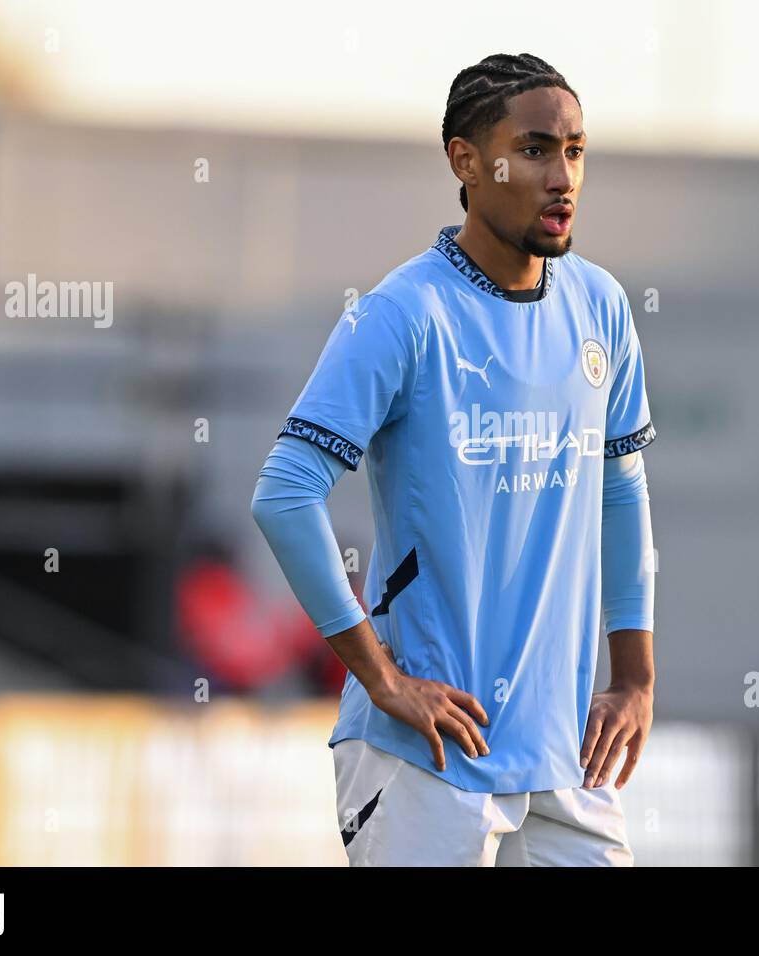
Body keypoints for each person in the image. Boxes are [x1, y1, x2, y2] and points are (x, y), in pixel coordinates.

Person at [252, 53, 658, 866]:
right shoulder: (404, 314)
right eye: (536, 149)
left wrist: (635, 678)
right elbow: (285, 493)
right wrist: (380, 677)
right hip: (425, 756)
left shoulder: (602, 307)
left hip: (566, 757)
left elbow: (621, 491)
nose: (562, 177)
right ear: (466, 161)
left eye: (576, 151)